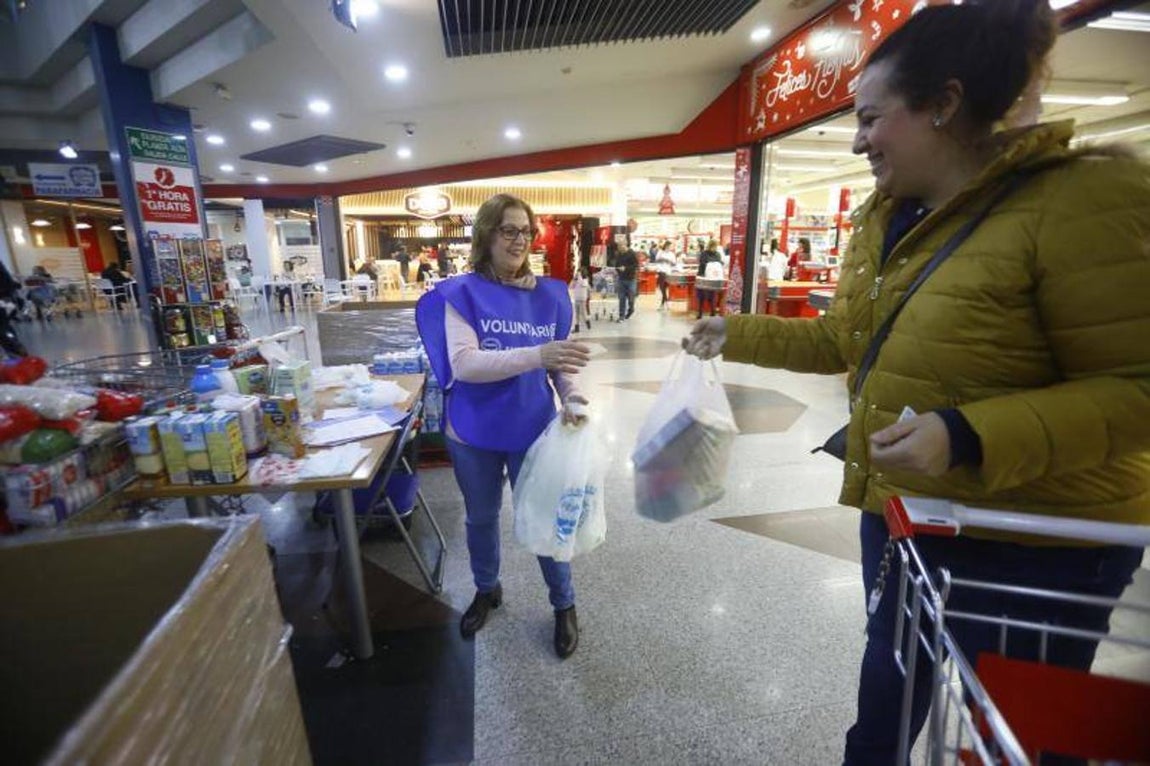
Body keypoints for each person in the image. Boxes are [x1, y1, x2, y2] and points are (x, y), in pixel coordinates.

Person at [682, 2, 1149, 763]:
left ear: (944, 105)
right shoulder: (888, 216)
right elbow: (846, 341)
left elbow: (1139, 391)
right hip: (907, 518)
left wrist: (966, 434)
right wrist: (736, 331)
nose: (859, 139)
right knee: (887, 704)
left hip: (1032, 549)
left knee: (1018, 738)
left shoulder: (1080, 201)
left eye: (871, 118)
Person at [415, 193, 592, 659]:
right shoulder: (461, 294)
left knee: (545, 517)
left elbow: (560, 365)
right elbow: (465, 364)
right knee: (481, 517)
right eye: (508, 230)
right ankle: (486, 588)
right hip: (473, 430)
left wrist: (572, 395)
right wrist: (538, 355)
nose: (519, 240)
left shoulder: (551, 297)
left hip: (532, 427)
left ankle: (563, 604)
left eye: (526, 231)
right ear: (487, 234)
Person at [694, 240, 722, 319]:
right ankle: (700, 312)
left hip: (712, 277)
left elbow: (719, 263)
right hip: (702, 276)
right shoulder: (704, 253)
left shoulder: (718, 254)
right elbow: (702, 263)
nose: (715, 248)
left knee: (712, 295)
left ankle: (712, 312)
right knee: (701, 295)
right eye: (714, 246)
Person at [614, 241, 638, 320]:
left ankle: (631, 309)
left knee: (631, 297)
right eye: (618, 248)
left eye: (621, 248)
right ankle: (621, 316)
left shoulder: (632, 253)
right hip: (621, 279)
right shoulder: (618, 254)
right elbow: (616, 265)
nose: (620, 249)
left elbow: (635, 265)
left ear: (625, 245)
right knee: (621, 298)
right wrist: (618, 270)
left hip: (631, 279)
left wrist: (626, 268)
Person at [653, 241, 677, 311]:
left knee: (664, 288)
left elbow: (674, 263)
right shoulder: (660, 252)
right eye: (668, 246)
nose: (669, 247)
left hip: (668, 272)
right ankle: (666, 303)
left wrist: (669, 261)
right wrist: (662, 259)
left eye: (670, 246)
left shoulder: (672, 254)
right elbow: (656, 260)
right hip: (661, 271)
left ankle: (663, 304)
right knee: (662, 287)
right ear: (665, 245)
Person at [570, 267, 590, 332]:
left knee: (583, 313)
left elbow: (583, 284)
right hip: (576, 298)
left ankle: (587, 321)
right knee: (576, 314)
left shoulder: (585, 280)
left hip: (582, 299)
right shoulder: (576, 280)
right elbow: (570, 286)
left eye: (579, 273)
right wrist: (574, 279)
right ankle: (577, 327)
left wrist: (579, 277)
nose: (577, 274)